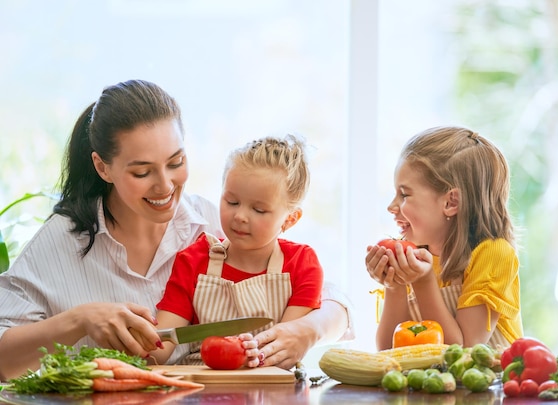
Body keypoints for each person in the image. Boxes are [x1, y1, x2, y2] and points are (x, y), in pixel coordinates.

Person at [0, 79, 352, 381]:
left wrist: (307, 330)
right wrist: (78, 319)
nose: (165, 186)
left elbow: (335, 300)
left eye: (176, 163)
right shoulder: (63, 240)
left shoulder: (214, 223)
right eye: (142, 172)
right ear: (102, 167)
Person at [148, 135, 324, 365]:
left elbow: (280, 350)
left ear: (290, 219)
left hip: (270, 390)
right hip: (201, 389)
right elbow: (159, 348)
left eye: (259, 210)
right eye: (231, 202)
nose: (240, 216)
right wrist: (138, 343)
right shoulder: (192, 260)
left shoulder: (302, 264)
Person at [365, 126, 522, 350]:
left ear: (451, 203)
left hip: (487, 384)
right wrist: (394, 286)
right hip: (434, 384)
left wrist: (422, 281)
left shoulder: (493, 254)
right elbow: (389, 351)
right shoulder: (415, 256)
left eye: (404, 194)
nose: (392, 206)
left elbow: (463, 351)